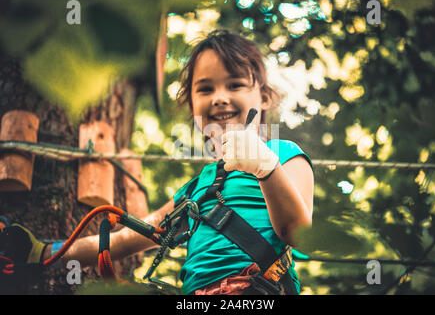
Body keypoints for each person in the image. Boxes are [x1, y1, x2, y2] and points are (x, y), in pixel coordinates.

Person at [0, 30, 314, 295]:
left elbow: (297, 231)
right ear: (191, 104)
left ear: (264, 98)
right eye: (205, 88)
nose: (220, 97)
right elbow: (128, 237)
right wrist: (46, 251)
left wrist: (266, 167)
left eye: (235, 85)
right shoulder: (197, 189)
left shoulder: (284, 154)